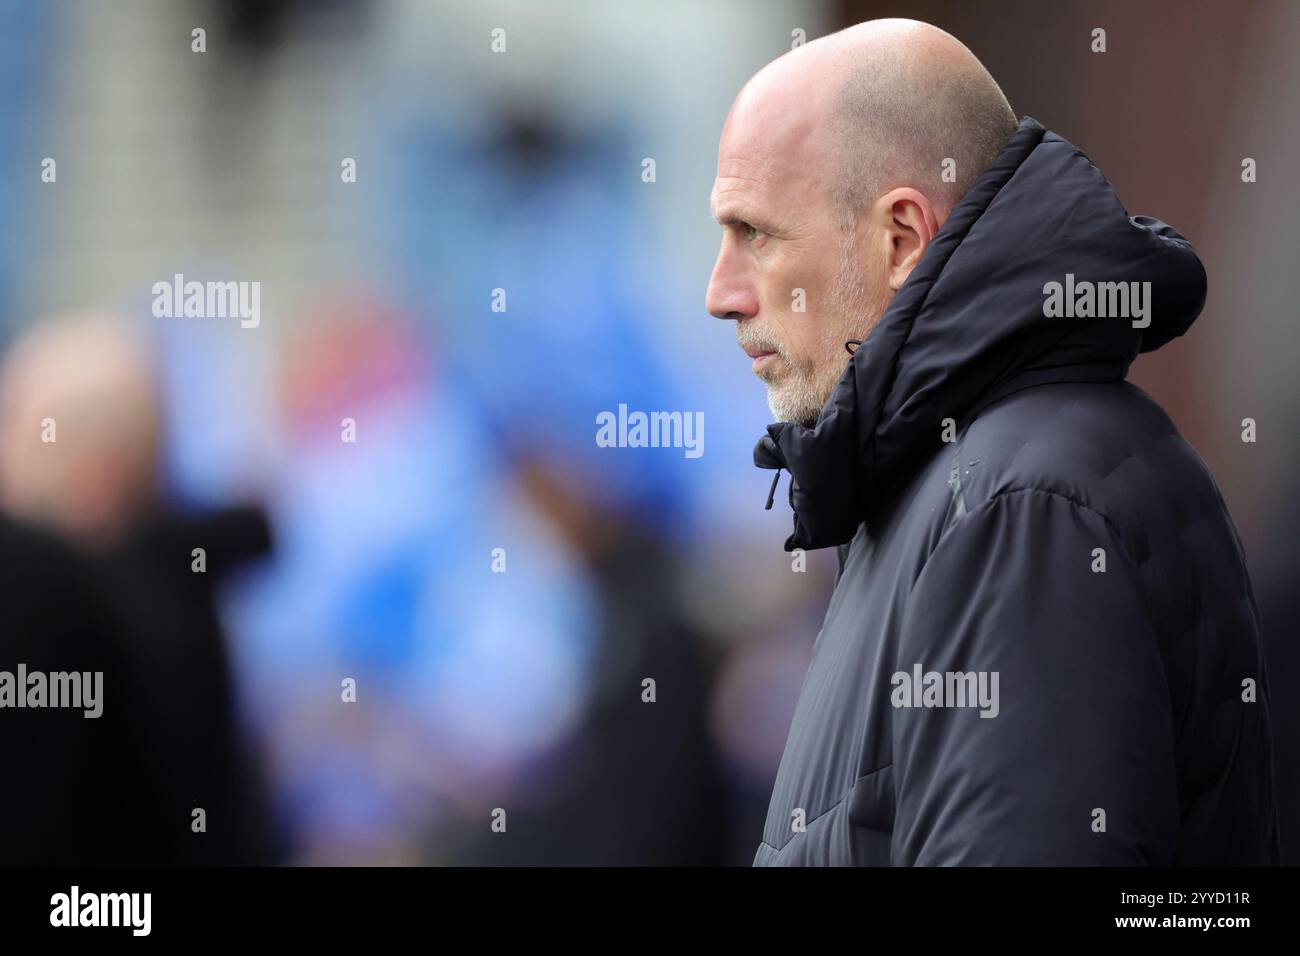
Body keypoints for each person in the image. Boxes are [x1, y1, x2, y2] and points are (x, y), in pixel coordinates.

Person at [705, 19, 1280, 865]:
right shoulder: (965, 483)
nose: (721, 293)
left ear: (901, 237)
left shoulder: (1016, 512)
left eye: (755, 233)